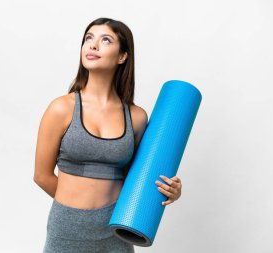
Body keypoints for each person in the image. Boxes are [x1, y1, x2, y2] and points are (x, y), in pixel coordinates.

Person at [34, 17, 182, 253]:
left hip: (115, 229)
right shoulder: (62, 108)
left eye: (105, 40)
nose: (93, 46)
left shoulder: (136, 117)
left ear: (122, 56)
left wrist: (169, 189)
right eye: (88, 39)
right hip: (67, 228)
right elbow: (41, 175)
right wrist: (76, 210)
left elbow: (139, 179)